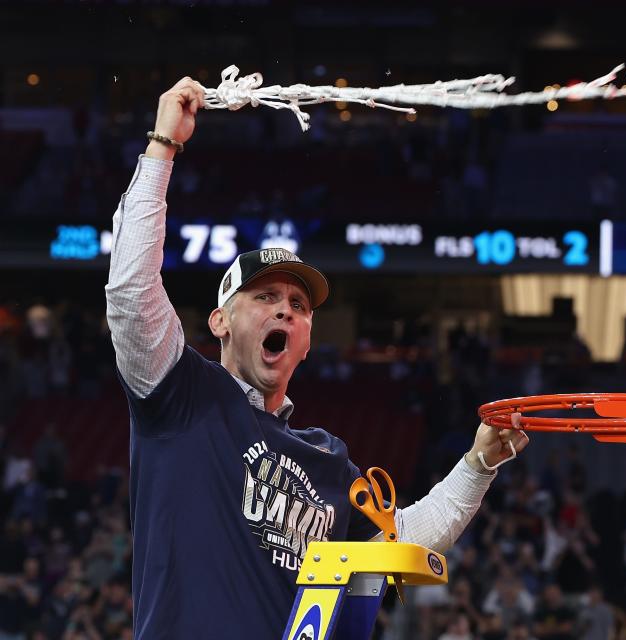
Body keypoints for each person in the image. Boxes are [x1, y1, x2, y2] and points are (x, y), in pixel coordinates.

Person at [105, 76, 530, 639]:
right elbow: (132, 292)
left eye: (298, 305)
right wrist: (163, 146)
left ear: (307, 339)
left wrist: (478, 466)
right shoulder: (179, 392)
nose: (284, 310)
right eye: (264, 297)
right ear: (220, 322)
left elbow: (401, 541)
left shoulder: (328, 459)